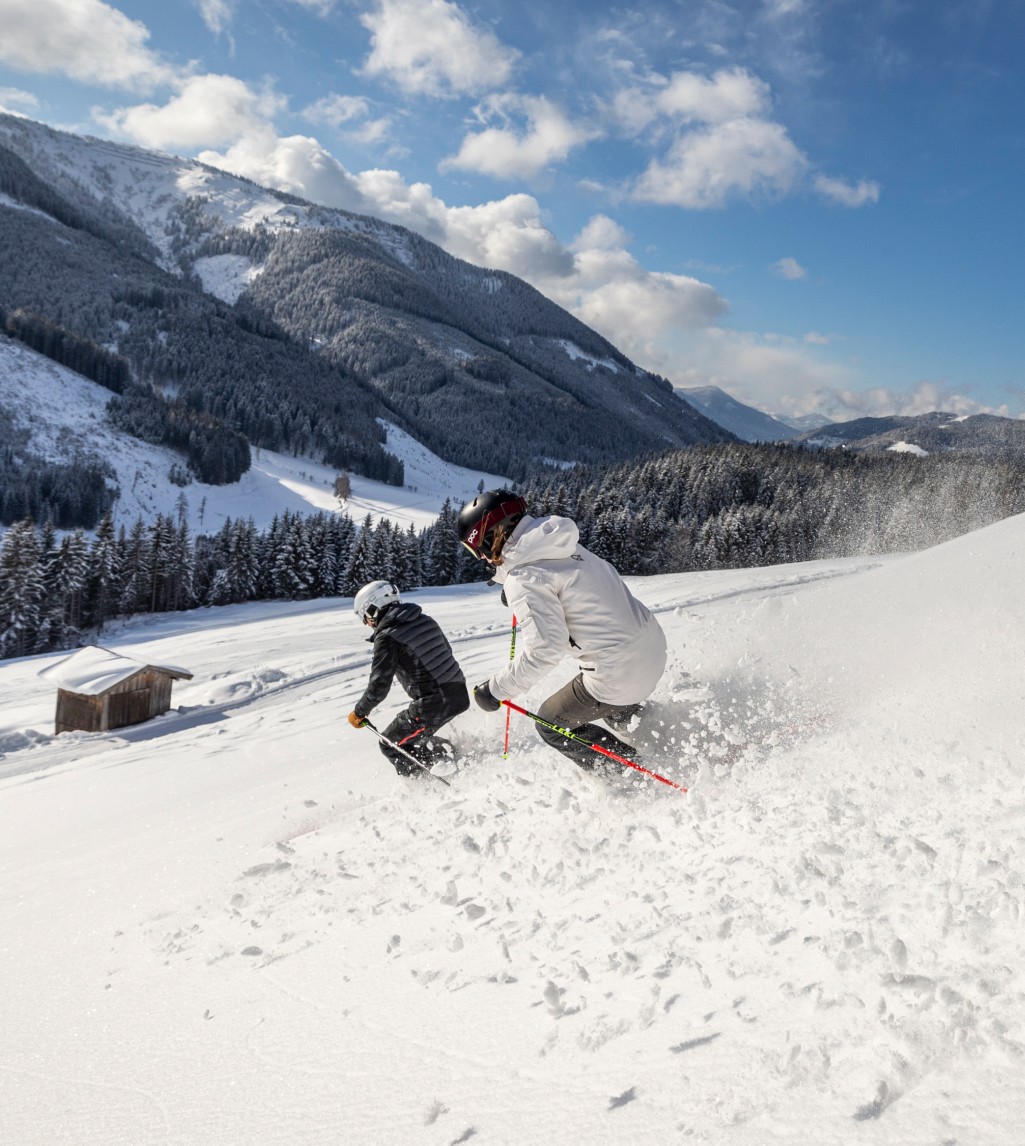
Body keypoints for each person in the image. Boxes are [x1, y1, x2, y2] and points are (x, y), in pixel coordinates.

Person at [458, 490, 667, 775]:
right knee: (612, 704)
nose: (480, 557)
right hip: (650, 647)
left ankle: (636, 775)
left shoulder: (526, 577)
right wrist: (516, 584)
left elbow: (546, 650)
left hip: (620, 670)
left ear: (487, 536)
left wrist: (495, 690)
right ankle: (665, 737)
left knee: (550, 723)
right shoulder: (560, 544)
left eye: (475, 549)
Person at [348, 581, 469, 777]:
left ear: (373, 608)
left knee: (390, 744)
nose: (367, 624)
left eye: (365, 618)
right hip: (459, 694)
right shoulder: (426, 620)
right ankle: (454, 760)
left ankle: (424, 785)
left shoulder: (387, 637)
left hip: (434, 704)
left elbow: (379, 685)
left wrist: (359, 712)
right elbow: (446, 651)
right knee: (414, 738)